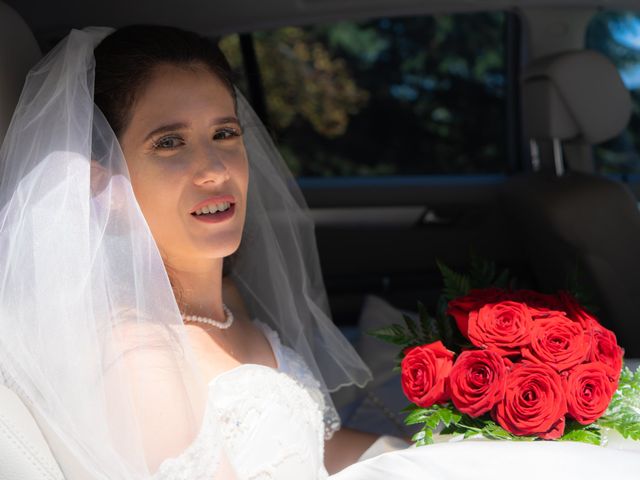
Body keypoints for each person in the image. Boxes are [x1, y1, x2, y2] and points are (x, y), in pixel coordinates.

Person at [1, 23, 639, 480]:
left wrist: (437, 443)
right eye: (170, 144)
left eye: (224, 133)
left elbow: (312, 447)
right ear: (103, 185)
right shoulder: (136, 351)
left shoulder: (220, 306)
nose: (215, 168)